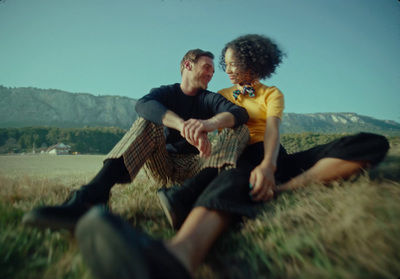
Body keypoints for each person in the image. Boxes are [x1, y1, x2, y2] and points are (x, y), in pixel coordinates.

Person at [74, 35, 390, 279]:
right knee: (234, 170)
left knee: (369, 142)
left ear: (250, 62)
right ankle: (178, 254)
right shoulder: (219, 95)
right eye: (218, 65)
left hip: (273, 155)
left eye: (228, 63)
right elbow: (208, 113)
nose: (224, 70)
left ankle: (284, 188)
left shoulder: (271, 94)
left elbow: (272, 131)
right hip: (237, 159)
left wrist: (270, 165)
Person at [21, 48, 250, 231]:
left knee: (238, 129)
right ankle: (90, 196)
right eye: (206, 67)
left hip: (198, 166)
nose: (211, 73)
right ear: (187, 65)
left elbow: (240, 113)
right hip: (165, 163)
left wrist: (207, 124)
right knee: (147, 120)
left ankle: (186, 196)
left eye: (212, 70)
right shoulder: (165, 92)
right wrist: (182, 125)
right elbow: (143, 105)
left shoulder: (209, 99)